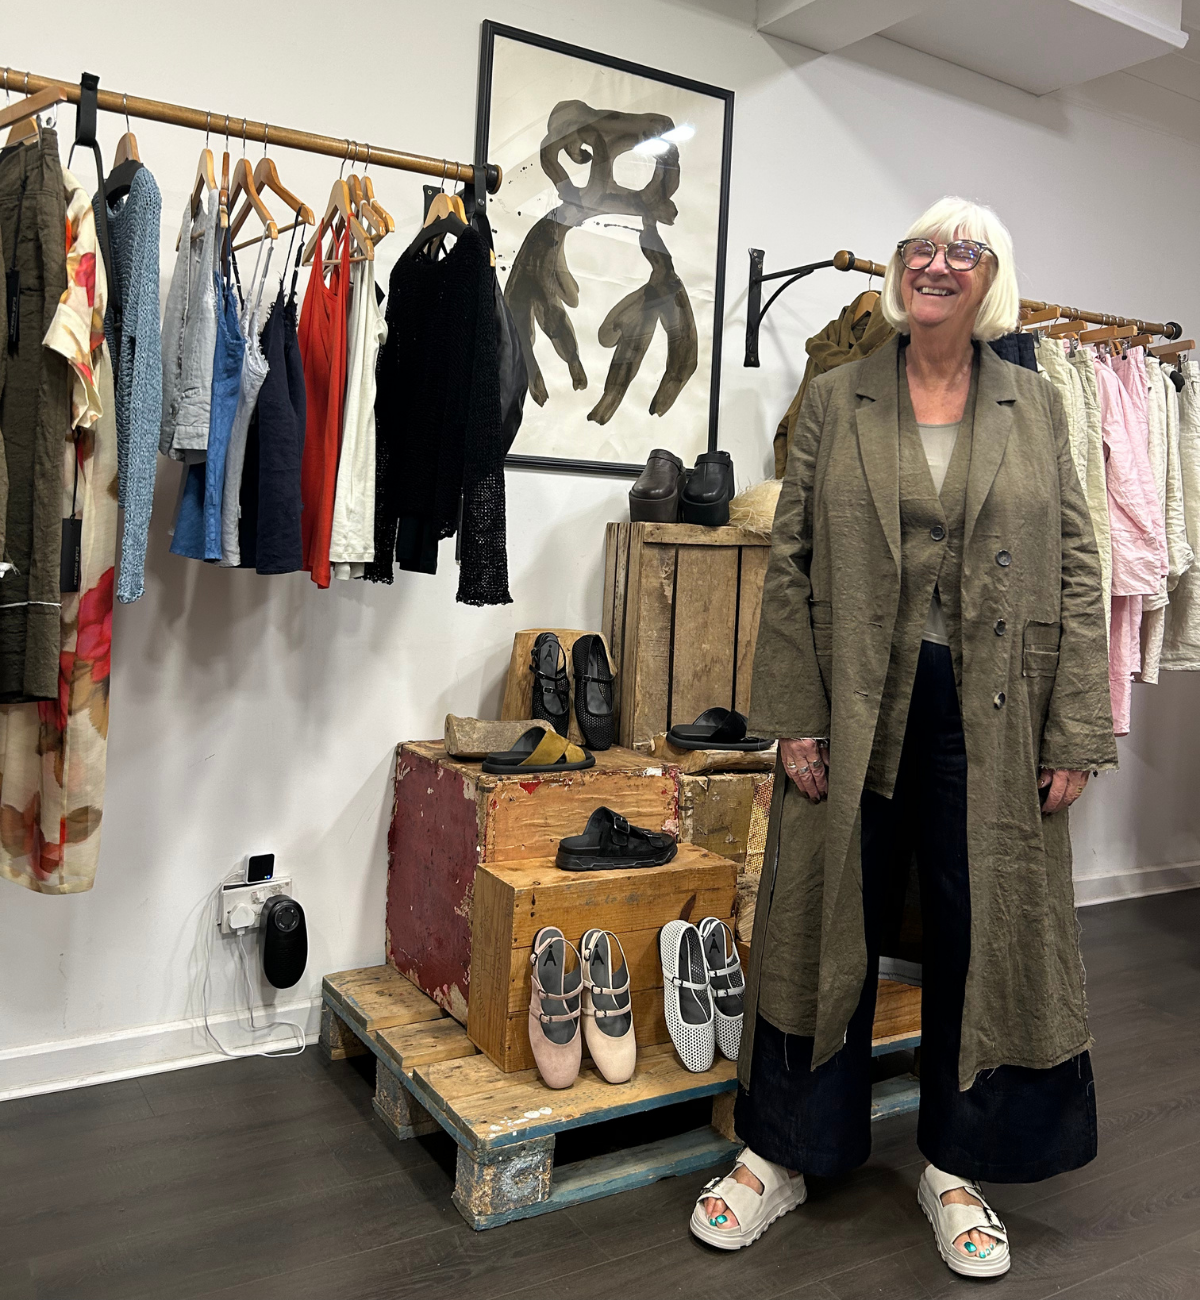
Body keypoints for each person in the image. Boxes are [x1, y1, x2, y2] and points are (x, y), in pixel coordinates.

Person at [690, 197, 1117, 1278]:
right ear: (899, 270)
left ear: (991, 279)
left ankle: (956, 1163)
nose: (936, 263)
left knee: (986, 927)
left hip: (996, 709)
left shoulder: (1036, 404)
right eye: (920, 247)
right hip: (852, 701)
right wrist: (793, 715)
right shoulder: (840, 396)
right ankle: (784, 1150)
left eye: (962, 251)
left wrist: (1075, 724)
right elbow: (791, 562)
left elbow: (1080, 566)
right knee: (822, 912)